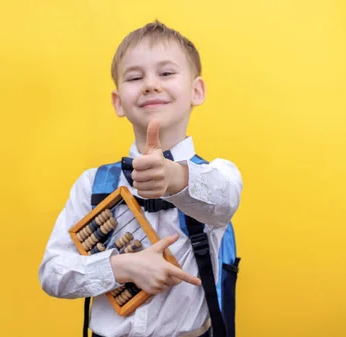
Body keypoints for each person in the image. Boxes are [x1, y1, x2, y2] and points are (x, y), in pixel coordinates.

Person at [38, 20, 243, 337]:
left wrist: (176, 178)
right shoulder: (92, 184)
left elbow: (223, 199)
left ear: (196, 91)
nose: (150, 84)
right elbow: (52, 272)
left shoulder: (219, 173)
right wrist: (120, 267)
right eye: (135, 77)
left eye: (166, 73)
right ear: (118, 102)